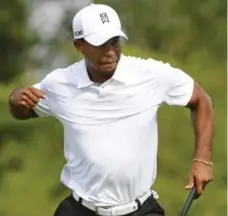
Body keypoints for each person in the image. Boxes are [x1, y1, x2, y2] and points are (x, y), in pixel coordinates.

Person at [8, 3, 214, 216]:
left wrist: (203, 159)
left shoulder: (150, 74)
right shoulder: (59, 84)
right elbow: (22, 110)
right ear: (80, 46)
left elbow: (201, 100)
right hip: (81, 210)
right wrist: (15, 100)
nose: (110, 51)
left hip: (141, 210)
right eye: (101, 44)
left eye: (114, 42)